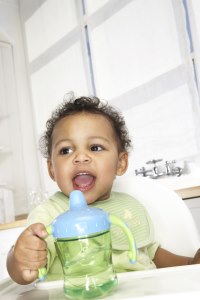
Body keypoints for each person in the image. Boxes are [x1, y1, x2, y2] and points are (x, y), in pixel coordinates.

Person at [7, 95, 200, 285]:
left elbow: (150, 253)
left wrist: (191, 264)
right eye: (66, 150)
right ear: (52, 169)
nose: (81, 157)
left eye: (95, 147)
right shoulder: (49, 215)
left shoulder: (127, 207)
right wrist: (19, 259)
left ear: (121, 163)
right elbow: (24, 269)